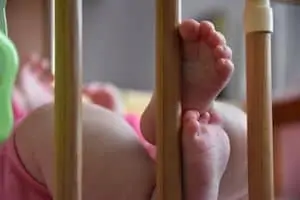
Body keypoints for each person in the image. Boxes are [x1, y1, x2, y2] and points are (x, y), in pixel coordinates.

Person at [0, 19, 248, 200]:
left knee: (244, 136)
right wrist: (26, 96)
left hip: (140, 148)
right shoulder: (20, 114)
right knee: (60, 122)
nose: (42, 72)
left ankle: (184, 118)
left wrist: (111, 109)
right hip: (37, 177)